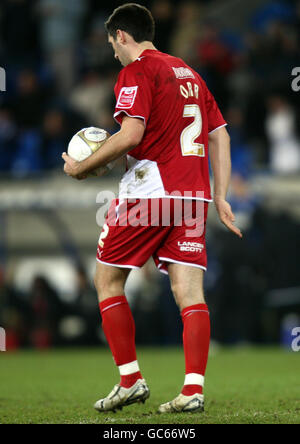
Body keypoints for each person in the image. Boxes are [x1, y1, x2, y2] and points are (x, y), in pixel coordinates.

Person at [62, 3, 242, 414]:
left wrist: (81, 167)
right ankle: (193, 388)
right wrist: (221, 195)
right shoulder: (190, 73)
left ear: (122, 35)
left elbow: (131, 133)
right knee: (189, 292)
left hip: (151, 193)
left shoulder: (137, 70)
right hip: (193, 197)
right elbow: (220, 135)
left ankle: (130, 380)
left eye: (112, 44)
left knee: (106, 280)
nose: (113, 53)